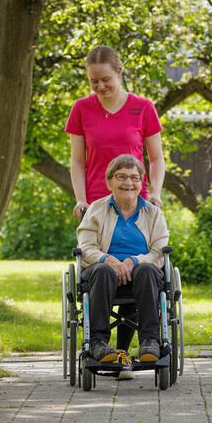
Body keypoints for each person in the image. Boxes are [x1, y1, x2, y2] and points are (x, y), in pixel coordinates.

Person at [65, 45, 166, 376]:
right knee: (105, 270)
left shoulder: (143, 108)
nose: (100, 87)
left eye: (105, 80)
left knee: (139, 268)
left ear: (119, 72)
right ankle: (104, 347)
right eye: (93, 81)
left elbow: (155, 159)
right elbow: (78, 160)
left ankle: (126, 351)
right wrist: (81, 199)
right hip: (98, 203)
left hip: (136, 198)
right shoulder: (81, 109)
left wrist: (155, 195)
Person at [77, 154, 169, 366]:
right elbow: (85, 247)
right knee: (103, 270)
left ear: (141, 182)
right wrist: (108, 259)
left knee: (146, 270)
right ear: (109, 182)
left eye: (135, 177)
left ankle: (150, 341)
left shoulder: (154, 214)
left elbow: (158, 252)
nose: (128, 182)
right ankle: (98, 342)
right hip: (101, 274)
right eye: (121, 177)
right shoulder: (96, 210)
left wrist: (133, 261)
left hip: (141, 275)